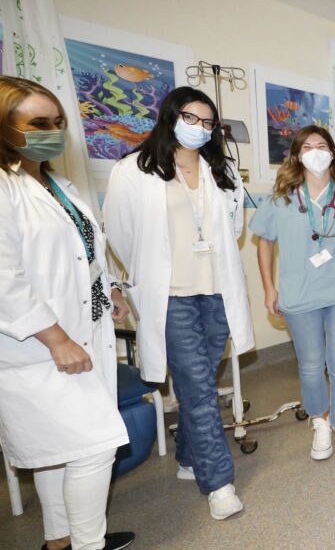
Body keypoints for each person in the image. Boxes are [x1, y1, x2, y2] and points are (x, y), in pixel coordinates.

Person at [104, 86, 254, 521]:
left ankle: (189, 458)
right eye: (192, 118)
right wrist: (147, 274)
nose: (200, 129)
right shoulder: (133, 169)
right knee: (201, 389)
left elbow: (234, 225)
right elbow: (120, 233)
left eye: (208, 123)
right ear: (170, 117)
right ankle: (219, 482)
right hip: (170, 297)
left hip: (217, 291)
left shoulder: (220, 169)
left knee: (199, 383)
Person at [0, 76, 135, 550]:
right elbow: (4, 279)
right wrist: (56, 338)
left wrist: (111, 290)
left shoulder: (53, 181)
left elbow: (86, 249)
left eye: (57, 122)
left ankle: (59, 541)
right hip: (36, 344)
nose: (52, 131)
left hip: (82, 327)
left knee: (59, 451)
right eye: (38, 123)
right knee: (95, 445)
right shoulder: (3, 187)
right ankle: (86, 545)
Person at [250, 126, 335, 475]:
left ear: (332, 151)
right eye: (308, 146)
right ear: (297, 155)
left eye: (322, 145)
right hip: (299, 293)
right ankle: (320, 422)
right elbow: (264, 242)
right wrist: (270, 288)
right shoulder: (282, 195)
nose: (316, 151)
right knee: (311, 365)